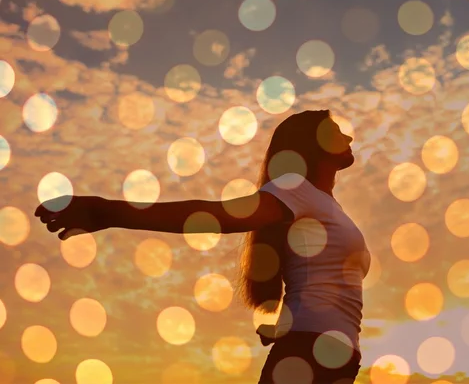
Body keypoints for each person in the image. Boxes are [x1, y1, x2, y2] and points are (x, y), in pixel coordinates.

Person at [35, 109, 371, 383]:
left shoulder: (322, 204)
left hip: (328, 354)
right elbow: (217, 216)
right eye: (337, 130)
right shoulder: (296, 189)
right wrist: (105, 210)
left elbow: (317, 274)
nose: (349, 136)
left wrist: (286, 321)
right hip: (310, 354)